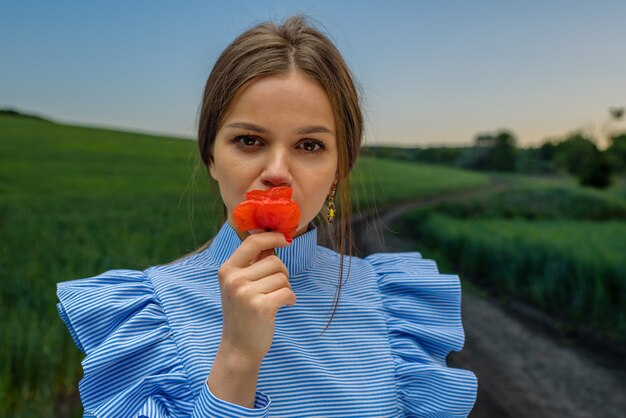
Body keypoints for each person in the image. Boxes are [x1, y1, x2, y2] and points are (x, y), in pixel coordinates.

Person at [56, 14, 478, 417]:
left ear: (338, 172)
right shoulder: (147, 317)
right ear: (211, 158)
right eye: (249, 140)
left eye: (310, 145)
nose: (277, 171)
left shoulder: (391, 308)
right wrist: (238, 357)